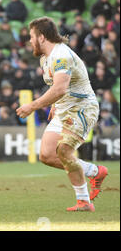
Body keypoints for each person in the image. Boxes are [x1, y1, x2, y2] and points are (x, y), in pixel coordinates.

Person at [16, 17, 108, 212]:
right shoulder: (45, 58)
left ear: (41, 37)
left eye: (31, 37)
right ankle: (94, 171)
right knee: (47, 155)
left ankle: (83, 201)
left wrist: (32, 106)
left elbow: (59, 88)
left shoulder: (61, 55)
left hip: (82, 108)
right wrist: (55, 104)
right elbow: (58, 88)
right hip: (64, 108)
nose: (29, 41)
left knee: (63, 151)